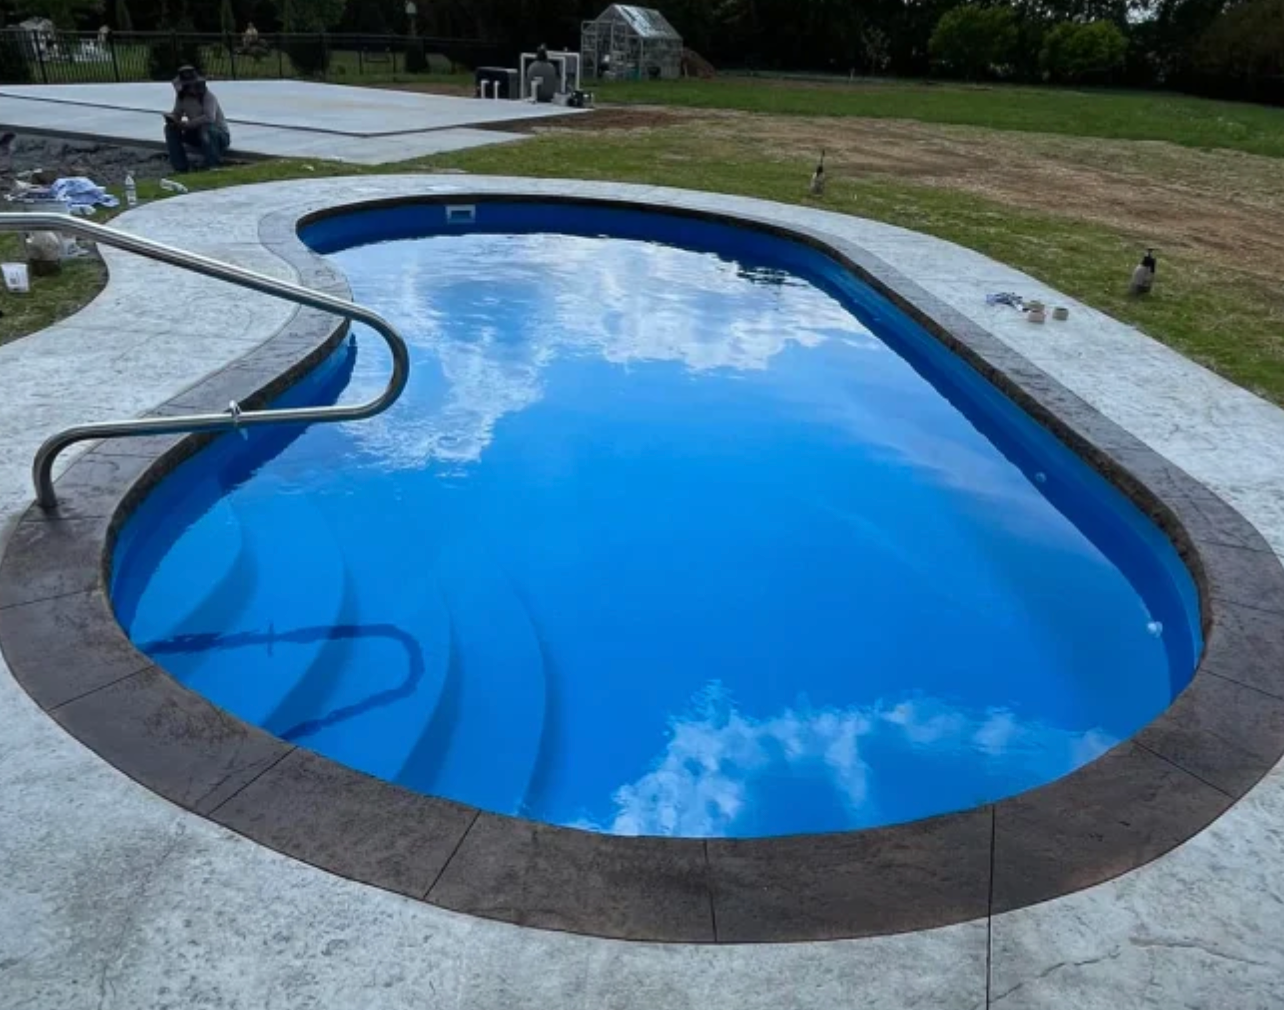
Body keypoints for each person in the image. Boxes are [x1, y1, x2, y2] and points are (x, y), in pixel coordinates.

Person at [163, 66, 231, 172]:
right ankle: (180, 167)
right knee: (169, 129)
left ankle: (212, 164)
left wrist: (187, 124)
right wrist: (173, 119)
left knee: (206, 128)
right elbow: (177, 113)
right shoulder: (181, 98)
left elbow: (209, 118)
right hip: (196, 134)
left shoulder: (208, 97)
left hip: (217, 136)